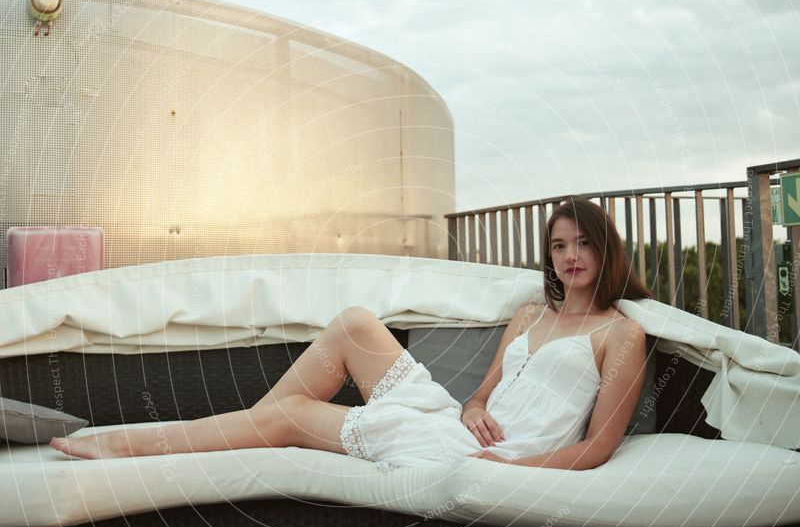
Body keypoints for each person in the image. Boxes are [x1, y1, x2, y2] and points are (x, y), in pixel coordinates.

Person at [50, 196, 653, 470]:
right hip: (455, 425)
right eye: (558, 244)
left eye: (582, 243)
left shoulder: (619, 334)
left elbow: (596, 448)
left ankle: (135, 445)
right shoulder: (530, 315)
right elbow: (482, 394)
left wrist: (511, 470)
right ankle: (242, 442)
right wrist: (471, 407)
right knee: (355, 323)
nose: (570, 255)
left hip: (489, 458)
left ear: (605, 250)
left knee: (288, 415)